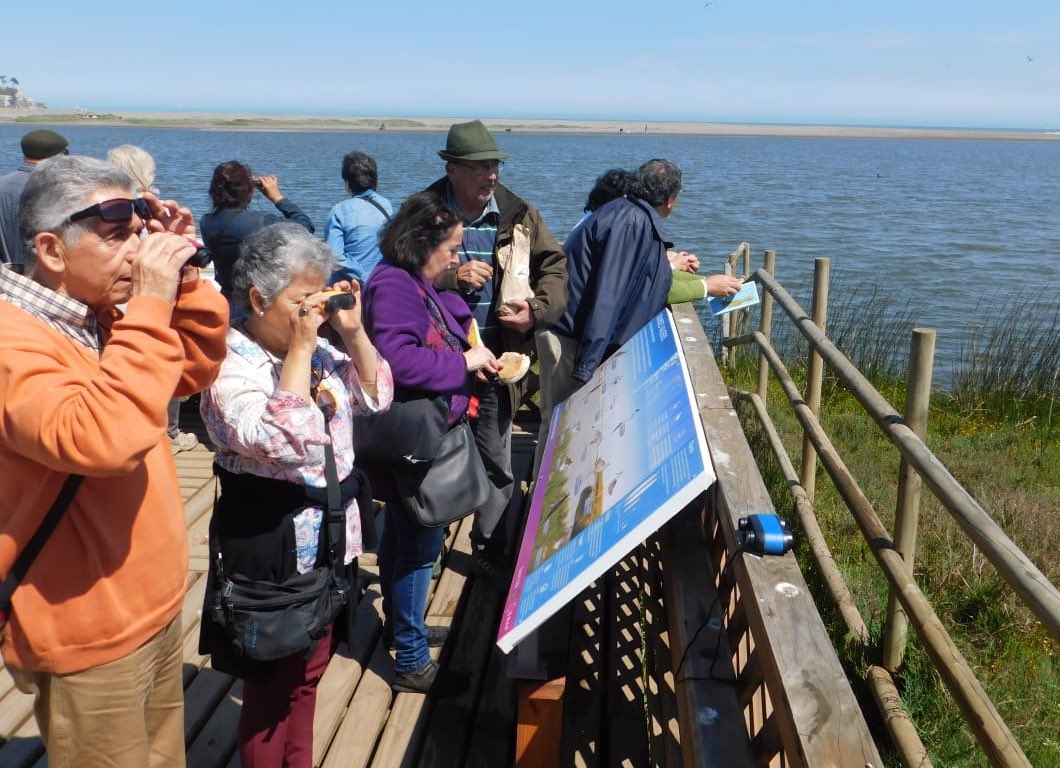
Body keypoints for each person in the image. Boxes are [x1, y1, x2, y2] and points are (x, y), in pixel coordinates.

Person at [0, 154, 228, 767]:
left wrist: (182, 282)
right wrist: (150, 302)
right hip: (84, 625)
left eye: (141, 232)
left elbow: (192, 370)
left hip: (147, 602)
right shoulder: (11, 339)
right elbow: (101, 437)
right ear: (51, 250)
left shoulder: (94, 315)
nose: (139, 250)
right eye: (118, 235)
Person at [197, 222, 393, 766]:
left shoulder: (325, 352)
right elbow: (280, 440)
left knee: (309, 674)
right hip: (273, 549)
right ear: (258, 299)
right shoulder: (230, 366)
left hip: (329, 542)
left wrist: (352, 335)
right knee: (269, 690)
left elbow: (376, 397)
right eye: (302, 300)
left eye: (321, 296)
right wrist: (303, 350)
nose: (315, 312)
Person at [362, 191, 498, 693]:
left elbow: (442, 306)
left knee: (403, 531)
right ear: (423, 244)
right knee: (421, 545)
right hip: (416, 441)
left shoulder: (405, 278)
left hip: (417, 438)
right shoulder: (394, 286)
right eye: (454, 248)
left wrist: (467, 329)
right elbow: (398, 360)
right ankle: (411, 662)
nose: (458, 258)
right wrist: (464, 363)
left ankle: (404, 628)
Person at [424, 120, 567, 577]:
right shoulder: (423, 215)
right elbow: (392, 276)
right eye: (481, 166)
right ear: (452, 169)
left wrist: (537, 311)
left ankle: (492, 551)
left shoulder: (519, 214)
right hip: (437, 363)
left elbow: (555, 269)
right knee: (427, 457)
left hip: (498, 363)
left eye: (495, 165)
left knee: (498, 462)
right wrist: (451, 277)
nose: (492, 175)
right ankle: (426, 543)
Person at [549, 159, 742, 412]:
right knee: (562, 420)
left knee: (567, 421)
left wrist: (705, 283)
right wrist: (588, 365)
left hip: (576, 333)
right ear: (671, 199)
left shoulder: (627, 212)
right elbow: (609, 292)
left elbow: (653, 278)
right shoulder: (631, 223)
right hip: (573, 337)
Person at [107, 143, 200, 454]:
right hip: (158, 296)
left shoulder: (105, 209)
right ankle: (168, 432)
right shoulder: (157, 209)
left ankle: (135, 427)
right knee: (165, 358)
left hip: (116, 302)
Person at [199, 160, 314, 299]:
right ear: (248, 190)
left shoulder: (206, 222)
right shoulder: (262, 222)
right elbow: (305, 228)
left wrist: (246, 184)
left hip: (227, 297)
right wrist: (277, 197)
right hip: (256, 301)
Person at [0, 129, 69, 270]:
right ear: (57, 156)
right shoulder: (55, 188)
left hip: (6, 277)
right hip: (44, 277)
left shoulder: (2, 184)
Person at [324, 151, 392, 284]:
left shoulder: (339, 211)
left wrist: (364, 277)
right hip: (381, 282)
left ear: (347, 182)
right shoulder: (386, 205)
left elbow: (335, 257)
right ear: (375, 178)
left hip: (349, 286)